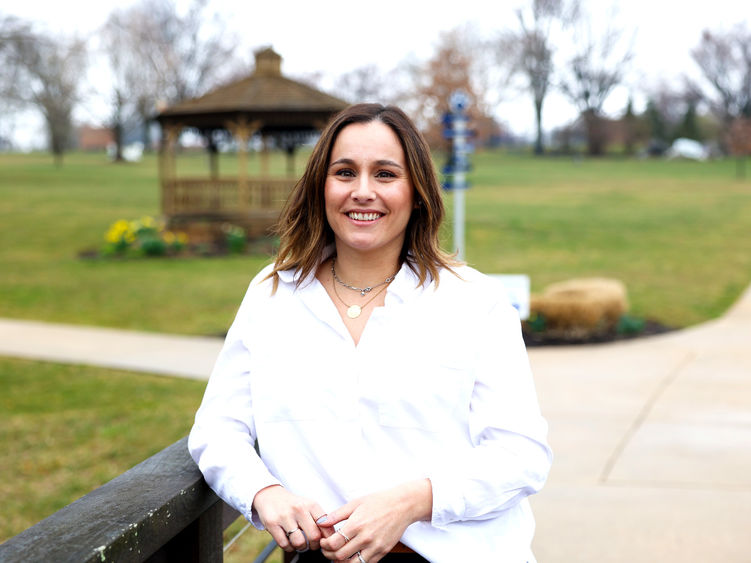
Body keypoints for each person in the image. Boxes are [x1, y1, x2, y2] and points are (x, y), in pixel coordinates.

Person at [188, 103, 552, 563]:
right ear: (321, 187)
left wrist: (413, 502)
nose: (363, 191)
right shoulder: (272, 294)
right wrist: (264, 491)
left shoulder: (474, 301)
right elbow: (217, 429)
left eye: (385, 174)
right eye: (344, 172)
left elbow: (521, 454)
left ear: (416, 191)